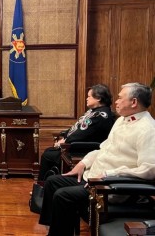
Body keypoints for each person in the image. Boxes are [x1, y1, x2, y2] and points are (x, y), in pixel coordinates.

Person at [39, 82, 155, 236]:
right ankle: (54, 228)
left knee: (63, 196)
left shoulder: (148, 129)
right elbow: (103, 148)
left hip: (109, 186)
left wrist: (112, 174)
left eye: (120, 98)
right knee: (53, 182)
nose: (116, 101)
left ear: (133, 102)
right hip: (92, 176)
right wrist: (83, 162)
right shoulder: (122, 120)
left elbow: (149, 168)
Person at [38, 84, 115, 181]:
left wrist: (65, 141)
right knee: (49, 152)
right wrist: (65, 136)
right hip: (78, 145)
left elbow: (81, 134)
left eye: (89, 96)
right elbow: (77, 127)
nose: (87, 99)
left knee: (48, 155)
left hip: (84, 149)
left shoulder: (100, 115)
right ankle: (44, 186)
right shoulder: (94, 111)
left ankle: (43, 186)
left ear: (98, 98)